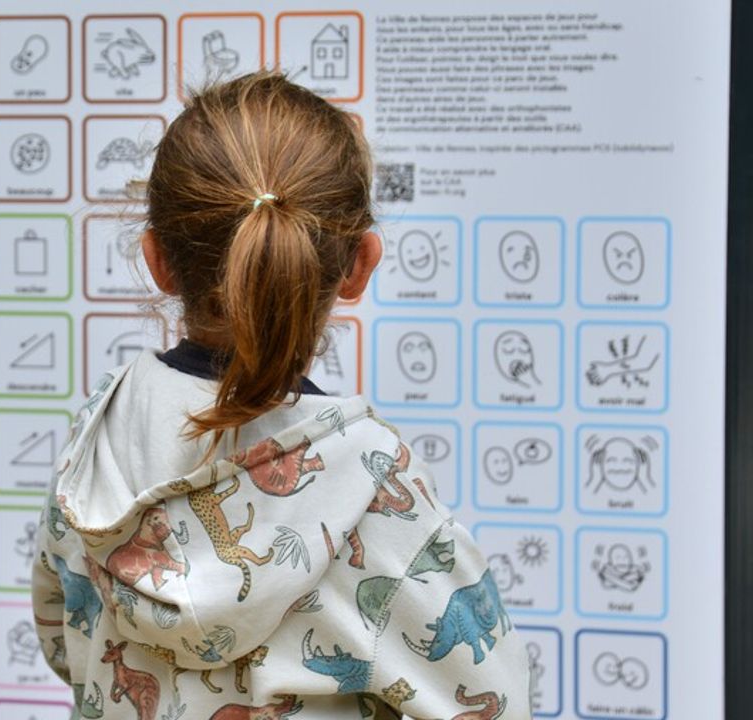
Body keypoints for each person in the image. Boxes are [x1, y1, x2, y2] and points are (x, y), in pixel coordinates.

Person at [31, 71, 531, 719]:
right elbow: (493, 699)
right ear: (359, 265)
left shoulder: (104, 427)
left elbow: (59, 627)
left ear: (155, 257)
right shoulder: (369, 478)